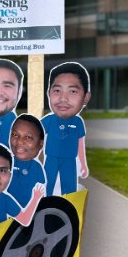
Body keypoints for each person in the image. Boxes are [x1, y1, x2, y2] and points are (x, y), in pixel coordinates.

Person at [41, 62, 91, 196]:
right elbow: (35, 138)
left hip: (69, 159)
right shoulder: (48, 120)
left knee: (69, 186)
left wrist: (83, 164)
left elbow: (81, 144)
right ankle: (43, 206)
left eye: (73, 91)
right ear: (48, 93)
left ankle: (67, 209)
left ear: (86, 97)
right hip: (51, 158)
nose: (63, 98)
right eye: (57, 91)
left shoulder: (78, 122)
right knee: (47, 183)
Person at [0, 142, 44, 232]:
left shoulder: (5, 199)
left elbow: (25, 220)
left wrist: (35, 198)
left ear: (10, 175)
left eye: (2, 170)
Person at [8, 114, 47, 207]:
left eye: (28, 137)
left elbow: (41, 195)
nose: (19, 142)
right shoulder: (5, 163)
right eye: (15, 135)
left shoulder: (37, 168)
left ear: (41, 143)